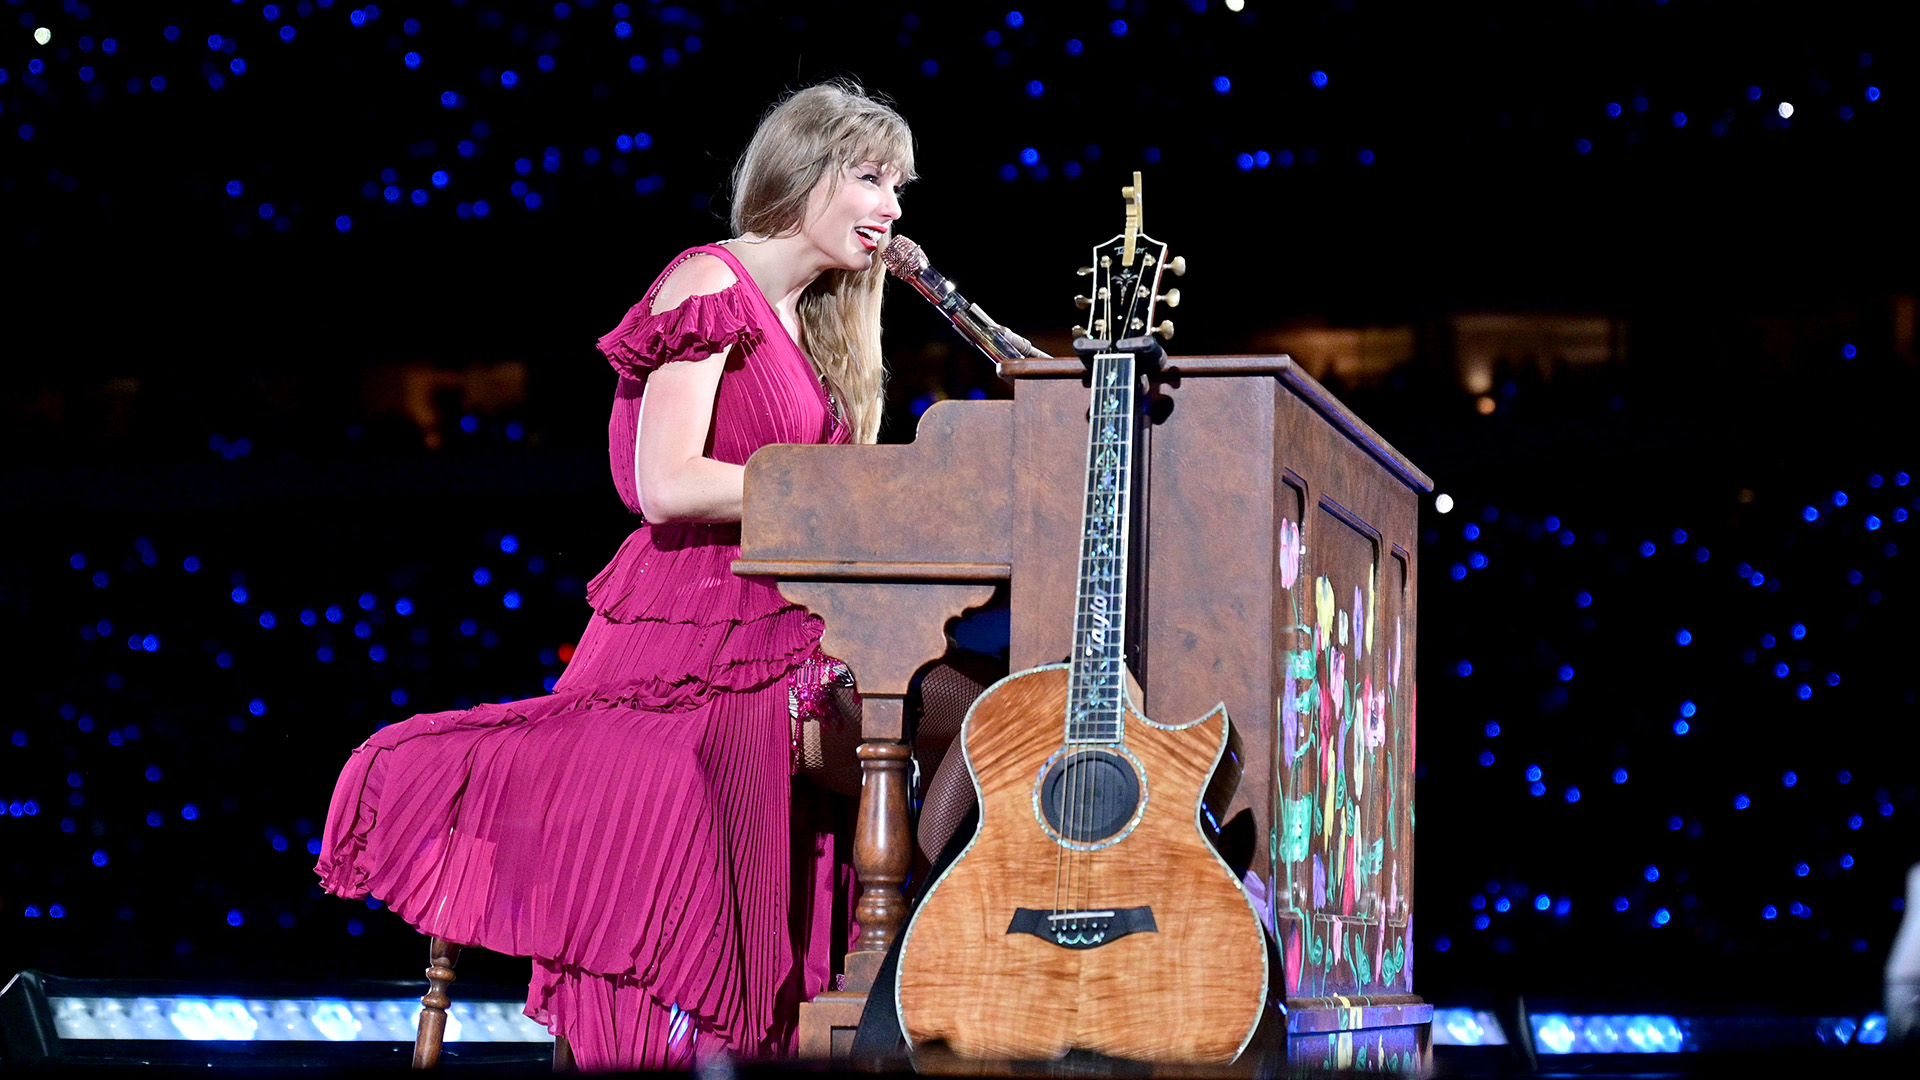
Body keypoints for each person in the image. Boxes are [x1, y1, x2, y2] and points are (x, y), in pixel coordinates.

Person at [314, 80, 913, 1072]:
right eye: (871, 177)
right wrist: (833, 488)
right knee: (698, 872)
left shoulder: (811, 325)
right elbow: (665, 483)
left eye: (900, 185)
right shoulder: (706, 284)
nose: (892, 207)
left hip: (783, 631)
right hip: (689, 633)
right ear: (803, 174)